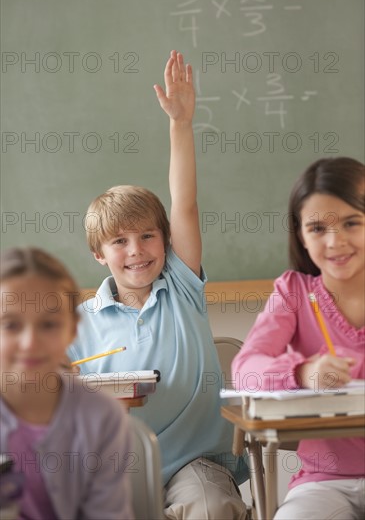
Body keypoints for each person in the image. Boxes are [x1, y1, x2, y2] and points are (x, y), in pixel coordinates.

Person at [68, 50, 249, 519]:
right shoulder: (75, 325)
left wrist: (181, 125)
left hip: (197, 464)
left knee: (211, 507)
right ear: (98, 254)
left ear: (166, 242)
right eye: (119, 241)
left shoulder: (183, 287)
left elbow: (183, 203)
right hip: (113, 469)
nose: (136, 250)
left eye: (148, 235)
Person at [232, 157, 365, 519]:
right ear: (301, 235)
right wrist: (304, 373)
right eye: (317, 228)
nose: (335, 241)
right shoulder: (294, 292)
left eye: (352, 223)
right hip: (324, 480)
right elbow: (246, 369)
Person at [0, 247, 134, 520]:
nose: (30, 343)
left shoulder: (102, 416)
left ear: (73, 329)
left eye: (48, 324)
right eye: (11, 325)